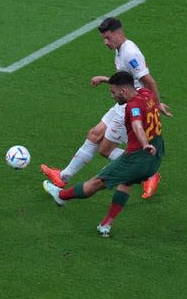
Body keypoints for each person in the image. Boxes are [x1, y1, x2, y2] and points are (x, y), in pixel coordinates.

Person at [41, 16, 173, 199]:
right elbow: (126, 79)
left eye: (108, 38)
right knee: (94, 134)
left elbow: (149, 81)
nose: (105, 42)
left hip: (130, 106)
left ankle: (147, 175)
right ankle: (63, 176)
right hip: (124, 102)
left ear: (118, 33)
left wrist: (156, 105)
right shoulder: (121, 50)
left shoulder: (130, 53)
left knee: (106, 150)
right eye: (103, 38)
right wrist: (106, 80)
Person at [42, 71, 164, 237]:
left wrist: (144, 144)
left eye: (114, 93)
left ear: (124, 91)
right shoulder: (146, 93)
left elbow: (137, 125)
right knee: (126, 182)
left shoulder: (132, 106)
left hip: (137, 156)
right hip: (156, 156)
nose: (112, 96)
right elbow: (144, 103)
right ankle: (106, 224)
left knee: (96, 182)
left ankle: (61, 195)